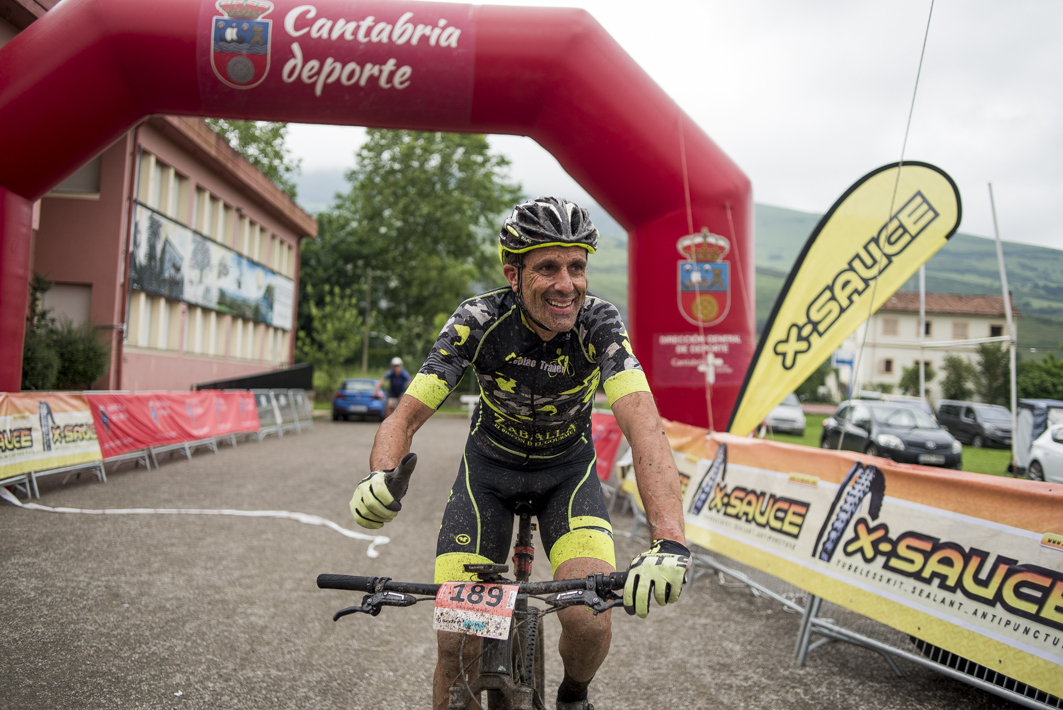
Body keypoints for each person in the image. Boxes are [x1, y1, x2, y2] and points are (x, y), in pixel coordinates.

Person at [351, 197, 690, 710]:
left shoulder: (599, 322)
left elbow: (645, 428)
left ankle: (573, 695)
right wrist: (380, 474)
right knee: (458, 640)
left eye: (576, 267)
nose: (566, 284)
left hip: (566, 476)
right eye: (548, 267)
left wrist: (669, 540)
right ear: (513, 274)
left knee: (588, 619)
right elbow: (404, 417)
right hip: (488, 475)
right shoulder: (477, 319)